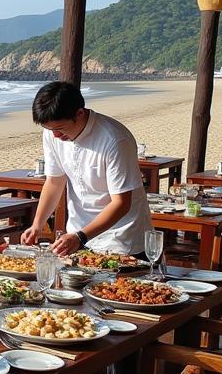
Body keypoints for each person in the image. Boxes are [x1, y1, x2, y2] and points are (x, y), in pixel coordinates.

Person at [21, 81, 153, 258]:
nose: (55, 136)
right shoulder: (52, 133)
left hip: (121, 240)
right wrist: (37, 225)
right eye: (49, 129)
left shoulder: (115, 139)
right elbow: (54, 181)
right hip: (77, 236)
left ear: (80, 113)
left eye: (59, 129)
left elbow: (121, 203)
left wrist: (80, 237)